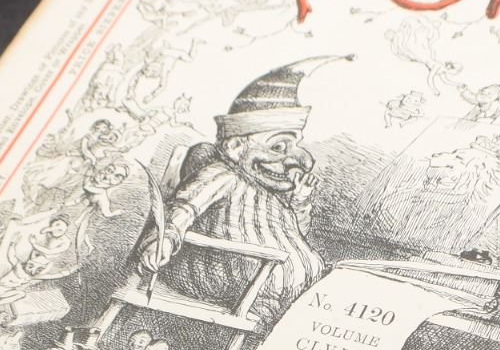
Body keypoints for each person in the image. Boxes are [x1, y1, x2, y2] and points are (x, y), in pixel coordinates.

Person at [131, 57, 347, 326]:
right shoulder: (224, 175)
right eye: (278, 147)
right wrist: (164, 239)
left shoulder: (273, 194)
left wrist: (300, 202)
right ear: (235, 148)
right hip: (228, 279)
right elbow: (185, 207)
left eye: (295, 146)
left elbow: (293, 233)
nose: (299, 160)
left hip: (279, 289)